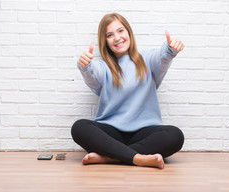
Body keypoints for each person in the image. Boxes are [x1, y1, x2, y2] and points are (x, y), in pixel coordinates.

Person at [71, 13, 185, 169]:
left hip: (144, 132)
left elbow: (162, 57)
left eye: (120, 31)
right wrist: (85, 66)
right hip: (111, 132)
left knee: (175, 135)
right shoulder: (103, 66)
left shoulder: (147, 59)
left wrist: (170, 49)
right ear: (105, 42)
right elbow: (93, 75)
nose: (117, 37)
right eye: (110, 35)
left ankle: (110, 158)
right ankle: (139, 158)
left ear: (129, 32)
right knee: (79, 127)